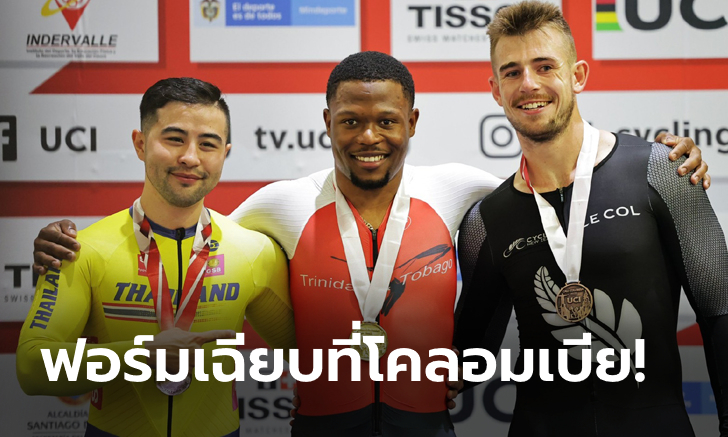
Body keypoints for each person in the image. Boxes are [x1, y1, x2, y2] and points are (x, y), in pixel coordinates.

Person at [31, 53, 708, 437]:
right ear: (327, 122)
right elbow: (197, 235)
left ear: (412, 121)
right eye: (350, 121)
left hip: (428, 426)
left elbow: (559, 181)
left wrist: (656, 161)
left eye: (386, 120)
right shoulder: (280, 203)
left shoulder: (460, 188)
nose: (369, 136)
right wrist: (63, 248)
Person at [454, 2, 728, 437]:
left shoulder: (662, 171)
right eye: (512, 72)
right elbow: (466, 355)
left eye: (545, 66)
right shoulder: (487, 219)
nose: (529, 83)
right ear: (496, 90)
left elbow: (720, 314)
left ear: (577, 75)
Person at [16, 77, 296, 437]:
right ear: (140, 143)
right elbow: (31, 368)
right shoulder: (81, 250)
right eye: (175, 139)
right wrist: (141, 353)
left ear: (224, 154)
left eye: (208, 144)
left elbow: (310, 350)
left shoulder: (255, 251)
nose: (190, 157)